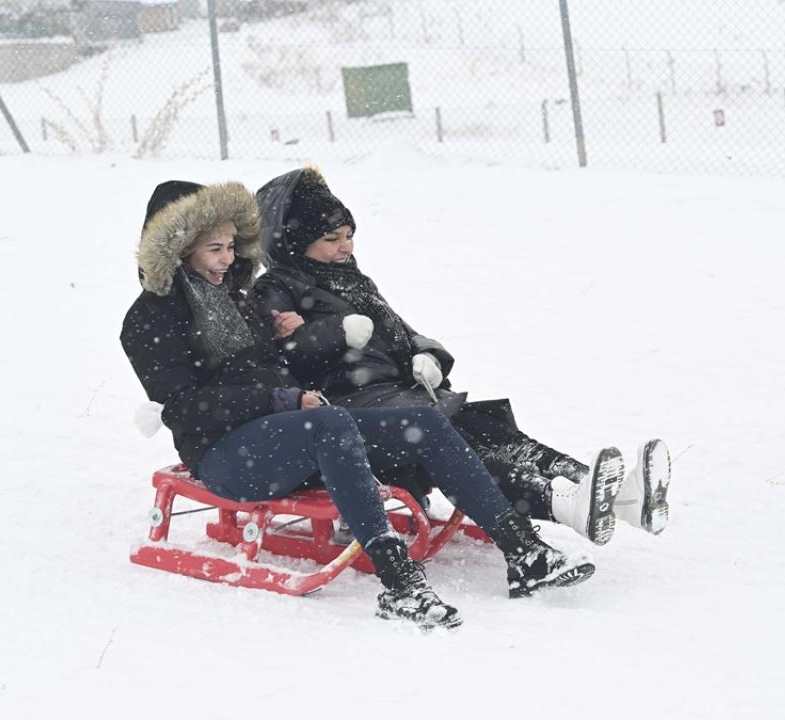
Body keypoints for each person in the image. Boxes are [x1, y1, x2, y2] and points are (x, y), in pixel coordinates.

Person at [121, 179, 596, 630]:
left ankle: (525, 553)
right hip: (225, 456)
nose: (228, 259)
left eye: (230, 247)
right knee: (327, 424)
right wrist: (280, 397)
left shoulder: (235, 300)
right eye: (214, 249)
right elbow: (184, 407)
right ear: (179, 250)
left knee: (422, 420)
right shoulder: (148, 319)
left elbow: (264, 365)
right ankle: (400, 585)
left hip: (286, 434)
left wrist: (283, 336)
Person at [252, 167, 672, 545]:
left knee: (490, 430)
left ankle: (610, 494)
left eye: (349, 235)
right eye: (332, 239)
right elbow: (283, 360)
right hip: (354, 406)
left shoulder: (351, 277)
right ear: (295, 240)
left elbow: (401, 330)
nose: (346, 247)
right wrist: (334, 333)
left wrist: (426, 354)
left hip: (398, 392)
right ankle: (559, 500)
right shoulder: (278, 287)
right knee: (464, 447)